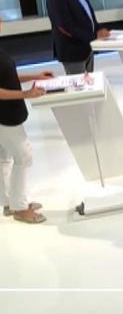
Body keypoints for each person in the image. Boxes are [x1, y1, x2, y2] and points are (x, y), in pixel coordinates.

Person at [0, 18, 54, 224]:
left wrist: (35, 76)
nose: (2, 21)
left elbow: (7, 76)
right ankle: (20, 208)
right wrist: (26, 94)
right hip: (4, 115)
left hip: (7, 112)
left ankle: (10, 202)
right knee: (23, 156)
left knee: (4, 157)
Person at [46, 0, 110, 74]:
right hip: (72, 52)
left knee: (90, 82)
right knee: (79, 83)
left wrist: (98, 29)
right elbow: (64, 26)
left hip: (87, 48)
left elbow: (88, 15)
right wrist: (93, 36)